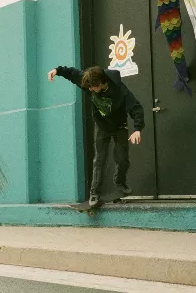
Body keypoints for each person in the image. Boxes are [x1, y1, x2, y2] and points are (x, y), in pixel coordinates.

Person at [47, 65, 144, 206]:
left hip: (119, 126)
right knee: (99, 159)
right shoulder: (88, 81)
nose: (90, 90)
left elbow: (135, 106)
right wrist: (57, 71)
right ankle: (94, 193)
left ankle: (119, 182)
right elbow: (72, 73)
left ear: (101, 84)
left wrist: (137, 129)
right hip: (102, 127)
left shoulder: (119, 89)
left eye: (93, 88)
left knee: (122, 159)